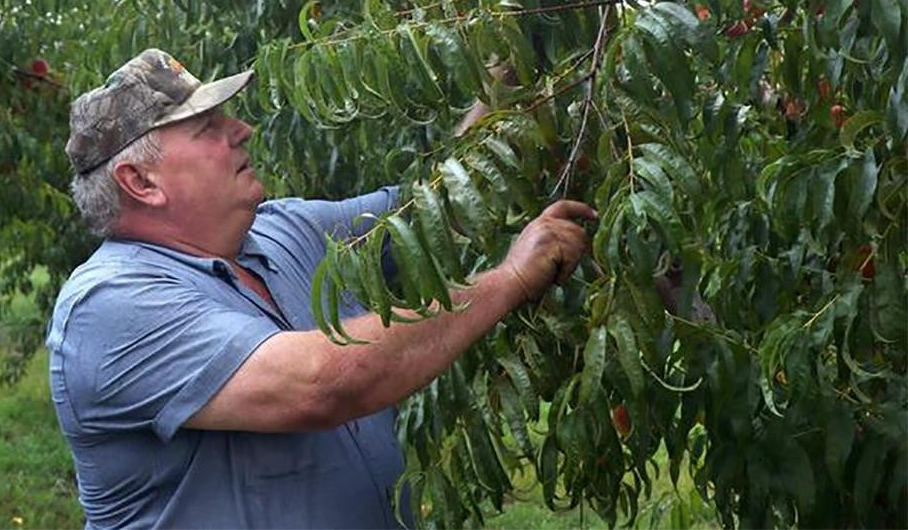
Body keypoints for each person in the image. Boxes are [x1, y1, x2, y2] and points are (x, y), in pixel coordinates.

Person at [48, 48, 595, 529]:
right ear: (141, 182)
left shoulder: (286, 231)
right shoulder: (110, 305)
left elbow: (441, 211)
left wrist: (502, 74)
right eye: (207, 128)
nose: (241, 130)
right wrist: (509, 280)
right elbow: (322, 385)